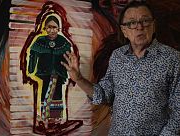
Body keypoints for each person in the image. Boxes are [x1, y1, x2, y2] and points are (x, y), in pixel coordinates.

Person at [61, 1, 180, 135]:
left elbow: (178, 112)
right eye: (132, 23)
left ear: (153, 25)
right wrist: (78, 78)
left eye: (145, 21)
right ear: (124, 31)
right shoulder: (117, 57)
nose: (139, 27)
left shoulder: (172, 59)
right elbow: (103, 95)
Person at [27, 15, 71, 130]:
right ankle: (45, 119)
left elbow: (69, 57)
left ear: (59, 29)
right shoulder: (40, 41)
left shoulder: (63, 42)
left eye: (55, 27)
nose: (52, 30)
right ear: (45, 28)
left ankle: (55, 120)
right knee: (45, 95)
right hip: (45, 73)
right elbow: (33, 54)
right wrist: (31, 69)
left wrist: (69, 70)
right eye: (49, 27)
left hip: (59, 73)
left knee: (56, 95)